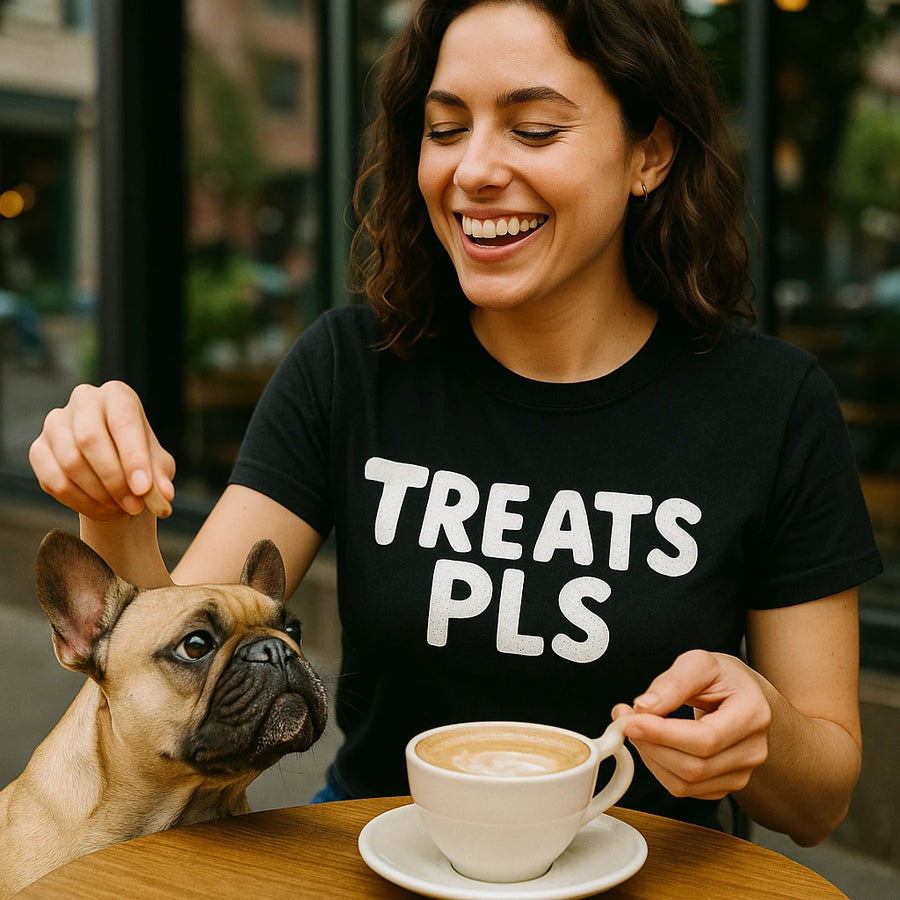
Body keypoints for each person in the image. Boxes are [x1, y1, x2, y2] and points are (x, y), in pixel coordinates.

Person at [29, 0, 881, 846]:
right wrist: (110, 501)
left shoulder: (771, 404)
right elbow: (176, 655)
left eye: (535, 130)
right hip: (375, 858)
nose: (473, 169)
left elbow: (820, 802)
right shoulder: (349, 367)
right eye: (444, 129)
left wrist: (761, 729)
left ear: (649, 153)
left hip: (649, 875)